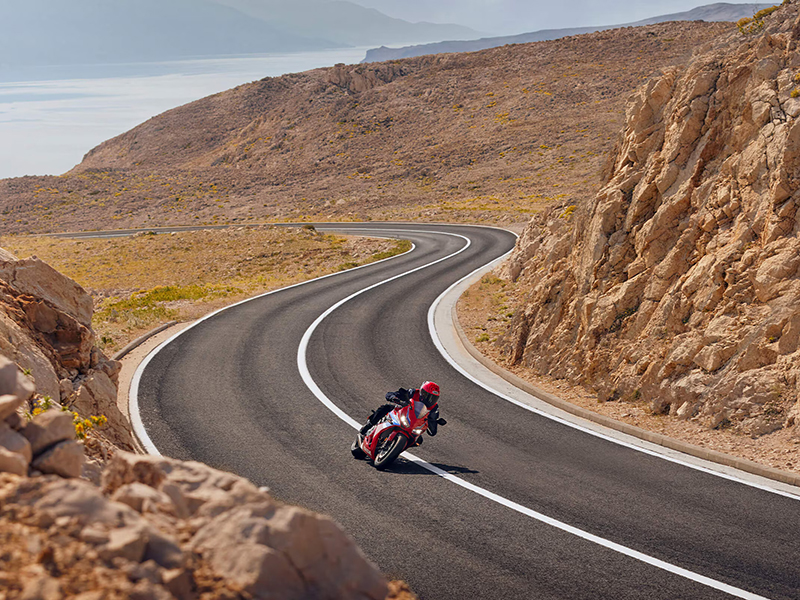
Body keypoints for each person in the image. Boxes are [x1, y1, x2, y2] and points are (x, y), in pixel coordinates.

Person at [358, 381, 446, 442]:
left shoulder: (434, 407)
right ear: (422, 392)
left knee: (418, 441)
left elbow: (433, 431)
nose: (429, 400)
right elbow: (391, 394)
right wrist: (395, 398)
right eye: (427, 395)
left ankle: (396, 447)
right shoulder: (413, 392)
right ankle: (368, 425)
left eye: (433, 398)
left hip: (414, 425)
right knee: (386, 408)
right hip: (402, 413)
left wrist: (433, 422)